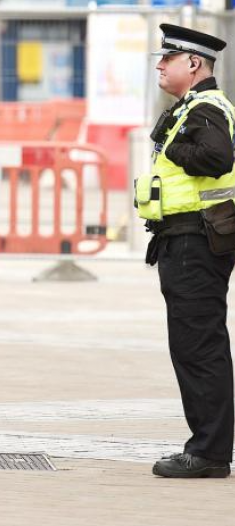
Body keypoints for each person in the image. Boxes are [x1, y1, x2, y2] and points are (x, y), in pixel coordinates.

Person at [138, 23, 235, 478]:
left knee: (199, 347)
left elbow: (216, 157)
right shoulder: (193, 107)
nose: (159, 65)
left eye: (167, 58)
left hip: (196, 241)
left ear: (193, 64)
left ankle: (209, 454)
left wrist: (175, 147)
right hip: (187, 240)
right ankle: (208, 448)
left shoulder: (206, 108)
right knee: (196, 345)